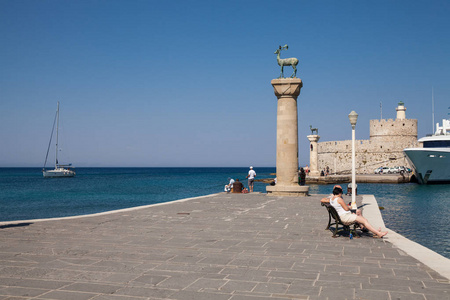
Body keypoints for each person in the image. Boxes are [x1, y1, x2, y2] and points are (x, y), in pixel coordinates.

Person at [321, 186, 388, 238]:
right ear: (339, 193)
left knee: (363, 220)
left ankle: (375, 232)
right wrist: (350, 207)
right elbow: (346, 209)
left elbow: (323, 200)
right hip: (345, 218)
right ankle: (378, 233)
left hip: (341, 216)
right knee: (364, 221)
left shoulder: (331, 199)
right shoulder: (339, 199)